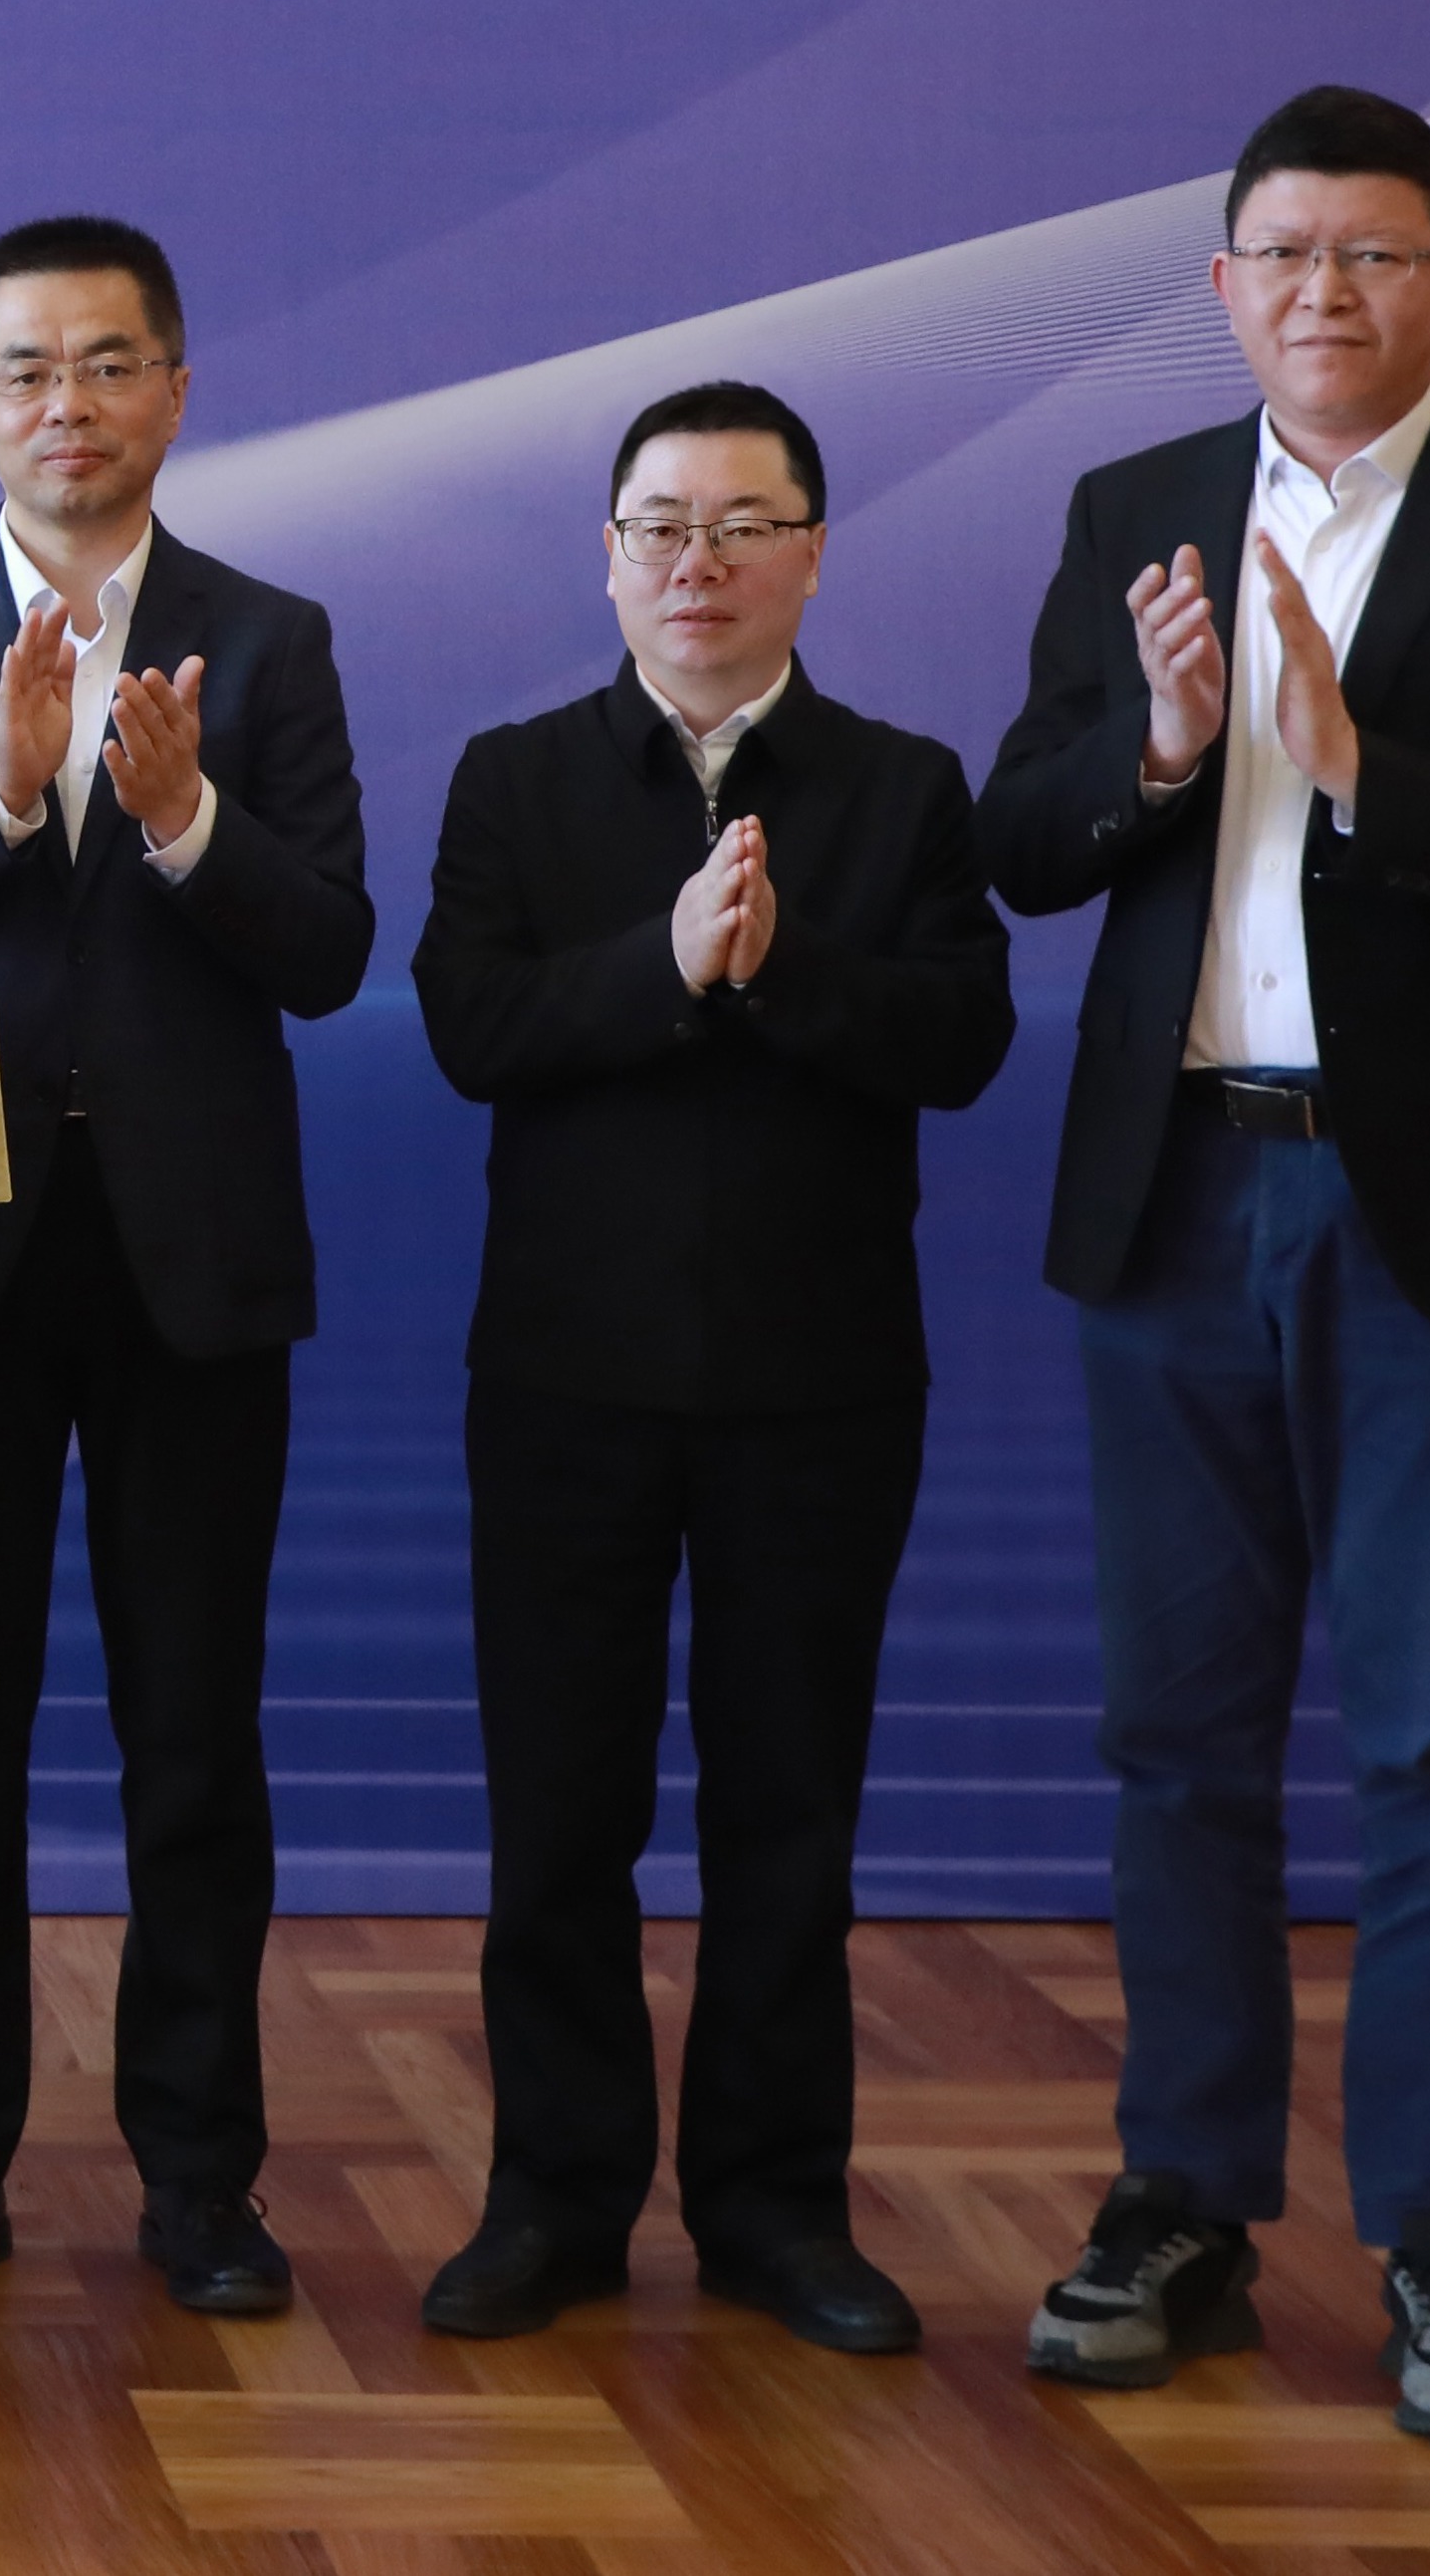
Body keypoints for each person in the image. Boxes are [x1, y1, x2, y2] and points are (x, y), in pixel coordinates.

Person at [979, 86, 1430, 2448]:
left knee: (1428, 1747)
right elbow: (1017, 834)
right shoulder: (1133, 509)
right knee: (1173, 1742)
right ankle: (1179, 2201)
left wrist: (1358, 757)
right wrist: (1167, 747)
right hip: (1172, 1198)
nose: (1322, 291)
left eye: (1371, 254)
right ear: (1219, 285)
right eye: (1280, 253)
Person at [0, 215, 376, 2322]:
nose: (68, 405)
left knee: (191, 1737)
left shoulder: (267, 640)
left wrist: (190, 823)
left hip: (193, 1269)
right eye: (27, 370)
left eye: (109, 364)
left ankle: (200, 2179)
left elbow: (330, 950)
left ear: (174, 391)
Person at [408, 381, 1010, 2358]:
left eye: (743, 525)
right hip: (563, 1380)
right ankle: (552, 2199)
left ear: (809, 556)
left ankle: (770, 2211)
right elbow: (471, 1026)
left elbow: (959, 1041)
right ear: (606, 557)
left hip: (816, 1384)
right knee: (554, 1817)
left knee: (787, 1819)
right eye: (660, 526)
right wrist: (662, 965)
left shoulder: (901, 786)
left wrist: (782, 969)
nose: (698, 562)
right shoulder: (514, 778)